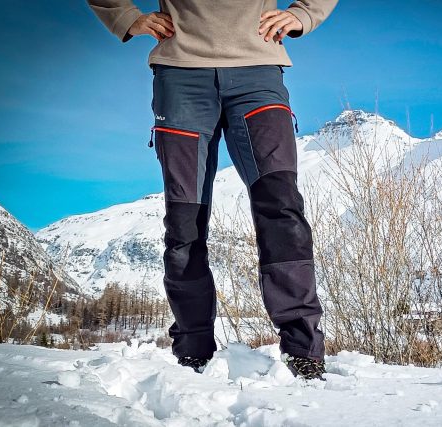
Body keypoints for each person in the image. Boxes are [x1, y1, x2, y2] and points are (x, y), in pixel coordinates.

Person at [86, 0, 338, 381]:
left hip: (258, 73)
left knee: (282, 207)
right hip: (181, 76)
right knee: (184, 222)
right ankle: (194, 354)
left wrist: (304, 13)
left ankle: (304, 352)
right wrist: (127, 19)